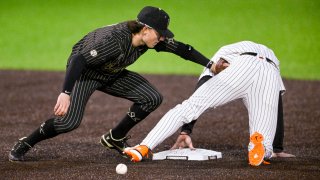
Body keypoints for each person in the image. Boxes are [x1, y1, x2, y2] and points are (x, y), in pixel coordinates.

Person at [8, 6, 215, 161]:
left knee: (151, 98)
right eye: (160, 33)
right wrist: (65, 92)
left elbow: (182, 49)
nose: (162, 38)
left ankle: (115, 137)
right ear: (145, 29)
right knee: (68, 122)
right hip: (86, 74)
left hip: (111, 72)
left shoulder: (148, 41)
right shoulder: (114, 41)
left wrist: (211, 64)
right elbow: (78, 60)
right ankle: (25, 142)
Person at [124, 41, 293, 166]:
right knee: (264, 139)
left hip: (242, 66)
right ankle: (262, 146)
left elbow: (203, 84)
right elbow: (276, 106)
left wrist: (186, 130)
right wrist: (278, 147)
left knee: (189, 107)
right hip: (270, 73)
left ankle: (143, 147)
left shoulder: (226, 50)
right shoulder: (271, 55)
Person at [172, 74, 295, 158]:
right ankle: (270, 148)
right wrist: (277, 147)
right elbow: (275, 99)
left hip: (255, 69)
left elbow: (198, 97)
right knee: (266, 105)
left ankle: (268, 148)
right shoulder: (267, 60)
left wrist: (185, 131)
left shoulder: (220, 60)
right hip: (261, 67)